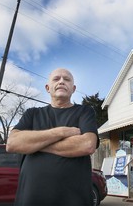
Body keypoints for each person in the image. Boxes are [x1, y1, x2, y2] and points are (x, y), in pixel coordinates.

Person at [6, 68, 99, 206]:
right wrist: (61, 132)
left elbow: (87, 144)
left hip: (74, 200)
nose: (61, 81)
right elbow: (12, 143)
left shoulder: (85, 112)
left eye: (66, 79)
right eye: (56, 79)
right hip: (30, 199)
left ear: (73, 89)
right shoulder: (32, 114)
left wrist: (34, 145)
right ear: (47, 88)